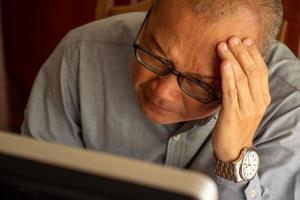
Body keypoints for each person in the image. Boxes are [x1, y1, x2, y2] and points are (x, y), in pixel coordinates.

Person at [22, 0, 300, 199]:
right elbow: (32, 183)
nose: (160, 92)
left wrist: (234, 157)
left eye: (199, 83)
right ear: (146, 18)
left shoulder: (290, 106)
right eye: (155, 56)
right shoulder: (81, 53)